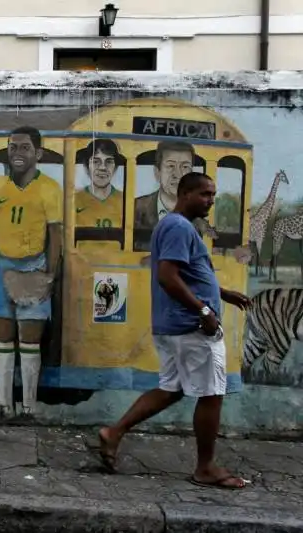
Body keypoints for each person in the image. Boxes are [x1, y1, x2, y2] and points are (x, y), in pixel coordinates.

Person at [98, 171, 251, 489]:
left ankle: (114, 432)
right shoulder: (178, 227)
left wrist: (221, 293)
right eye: (205, 194)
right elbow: (168, 276)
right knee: (211, 393)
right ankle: (205, 467)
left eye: (213, 194)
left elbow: (188, 273)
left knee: (172, 388)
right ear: (185, 194)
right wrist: (204, 310)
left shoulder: (177, 227)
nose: (211, 200)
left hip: (177, 326)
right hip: (191, 327)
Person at [0, 126, 62, 417]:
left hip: (34, 266)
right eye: (13, 147)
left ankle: (28, 408)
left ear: (38, 153)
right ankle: (5, 406)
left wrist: (50, 274)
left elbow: (56, 234)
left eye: (24, 148)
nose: (17, 153)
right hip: (4, 265)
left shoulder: (50, 188)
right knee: (2, 336)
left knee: (29, 341)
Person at [133, 141, 196, 251]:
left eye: (185, 167)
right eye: (170, 166)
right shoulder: (134, 209)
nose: (178, 174)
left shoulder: (201, 215)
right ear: (157, 173)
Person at [75, 139, 123, 230]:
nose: (102, 167)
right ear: (86, 167)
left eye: (109, 162)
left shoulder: (126, 201)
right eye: (96, 162)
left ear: (115, 167)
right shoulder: (73, 201)